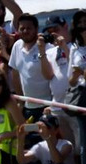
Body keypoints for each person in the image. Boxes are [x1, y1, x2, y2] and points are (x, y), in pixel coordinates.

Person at [9, 13, 54, 126]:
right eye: (22, 28)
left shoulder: (48, 48)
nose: (25, 31)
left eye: (29, 28)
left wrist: (53, 104)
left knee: (48, 140)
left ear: (36, 29)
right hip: (28, 107)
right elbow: (15, 74)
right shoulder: (17, 46)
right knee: (30, 140)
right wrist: (21, 101)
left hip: (47, 106)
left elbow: (53, 76)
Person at [41, 16, 78, 149]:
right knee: (68, 147)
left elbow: (76, 69)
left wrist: (65, 48)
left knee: (81, 147)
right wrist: (41, 52)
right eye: (49, 32)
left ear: (66, 27)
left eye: (56, 29)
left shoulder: (76, 47)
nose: (53, 34)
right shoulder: (49, 51)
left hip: (75, 106)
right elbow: (47, 75)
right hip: (58, 107)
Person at [68, 10, 86, 164]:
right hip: (83, 95)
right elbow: (71, 81)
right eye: (80, 23)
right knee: (85, 143)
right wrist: (78, 73)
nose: (83, 26)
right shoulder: (75, 48)